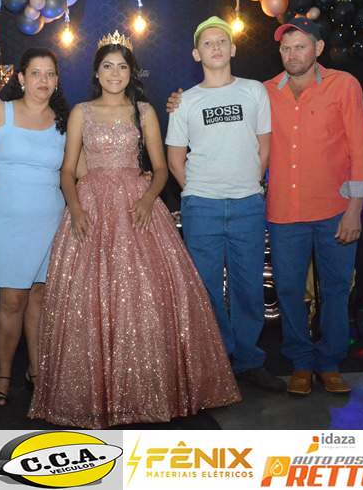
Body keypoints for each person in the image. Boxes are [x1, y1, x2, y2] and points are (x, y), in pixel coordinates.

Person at [28, 31, 241, 429]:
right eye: (107, 66)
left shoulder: (144, 111)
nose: (115, 73)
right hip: (92, 204)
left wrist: (147, 200)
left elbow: (160, 169)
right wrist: (75, 208)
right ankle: (95, 391)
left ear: (131, 72)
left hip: (136, 202)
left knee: (146, 292)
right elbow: (68, 170)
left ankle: (149, 388)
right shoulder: (81, 112)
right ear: (97, 73)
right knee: (88, 296)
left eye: (122, 66)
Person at [165, 16, 284, 393]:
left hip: (248, 204)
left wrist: (248, 184)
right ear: (196, 54)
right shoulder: (184, 101)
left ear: (232, 49)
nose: (215, 47)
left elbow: (265, 146)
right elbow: (174, 158)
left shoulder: (254, 92)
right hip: (202, 208)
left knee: (249, 287)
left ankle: (248, 360)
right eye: (208, 43)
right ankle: (217, 360)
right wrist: (197, 192)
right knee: (205, 288)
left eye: (221, 41)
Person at [264, 17, 363, 395]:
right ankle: (300, 362)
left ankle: (329, 362)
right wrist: (180, 101)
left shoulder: (343, 85)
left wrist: (354, 210)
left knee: (336, 290)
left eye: (300, 47)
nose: (292, 54)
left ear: (318, 49)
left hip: (335, 210)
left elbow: (361, 151)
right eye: (286, 48)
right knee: (288, 290)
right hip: (284, 212)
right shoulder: (265, 92)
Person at [0, 48, 69, 406]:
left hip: (50, 221)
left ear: (57, 80)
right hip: (6, 223)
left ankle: (38, 370)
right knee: (11, 300)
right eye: (35, 73)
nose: (43, 80)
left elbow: (78, 170)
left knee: (41, 299)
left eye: (50, 74)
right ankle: (3, 374)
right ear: (21, 78)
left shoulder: (65, 121)